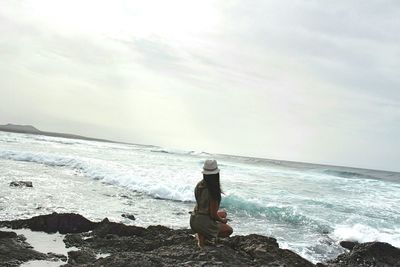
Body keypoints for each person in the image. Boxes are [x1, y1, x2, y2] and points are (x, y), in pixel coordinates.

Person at [190, 159, 233, 248]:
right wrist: (222, 221)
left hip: (193, 219)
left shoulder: (199, 185)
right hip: (202, 223)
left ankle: (201, 236)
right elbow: (213, 215)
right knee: (229, 230)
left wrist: (221, 217)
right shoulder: (214, 191)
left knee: (223, 213)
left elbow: (204, 208)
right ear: (216, 174)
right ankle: (203, 237)